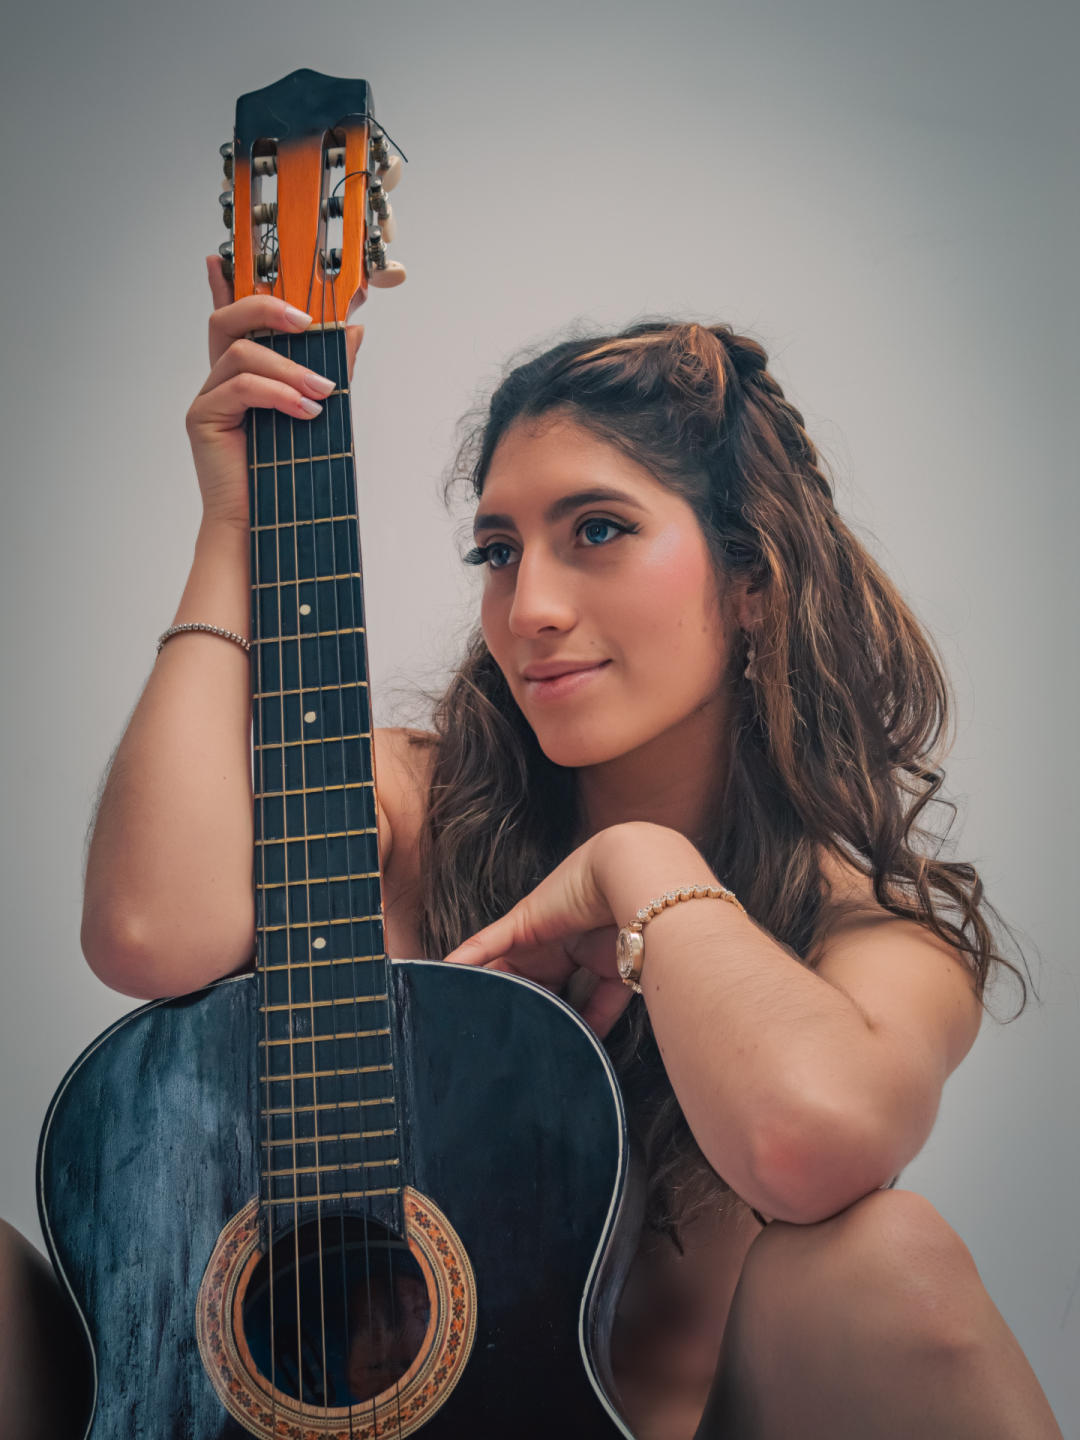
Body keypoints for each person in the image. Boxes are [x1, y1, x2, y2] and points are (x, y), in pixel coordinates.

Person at [9, 256, 1063, 1440]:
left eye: (597, 531)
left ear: (754, 579)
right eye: (499, 551)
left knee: (885, 1259)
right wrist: (232, 529)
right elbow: (150, 932)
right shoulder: (403, 800)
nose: (531, 608)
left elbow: (807, 1148)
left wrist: (643, 869)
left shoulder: (873, 941)